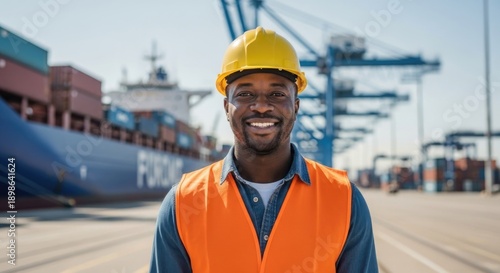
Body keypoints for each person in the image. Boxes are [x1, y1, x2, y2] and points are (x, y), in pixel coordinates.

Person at [150, 26, 378, 273]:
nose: (261, 106)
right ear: (227, 107)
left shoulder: (344, 200)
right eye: (246, 93)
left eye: (277, 93)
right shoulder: (182, 203)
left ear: (296, 106)